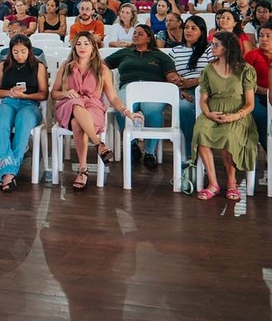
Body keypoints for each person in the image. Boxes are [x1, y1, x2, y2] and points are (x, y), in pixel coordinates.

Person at [52, 32, 141, 190]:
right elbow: (54, 93)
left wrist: (126, 111)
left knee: (77, 123)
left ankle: (83, 170)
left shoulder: (102, 69)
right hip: (68, 105)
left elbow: (112, 97)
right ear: (74, 47)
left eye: (86, 43)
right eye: (79, 44)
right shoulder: (66, 66)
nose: (82, 47)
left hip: (93, 107)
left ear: (93, 47)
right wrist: (66, 93)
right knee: (76, 105)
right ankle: (99, 144)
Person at [193, 31, 259, 201]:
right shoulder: (208, 69)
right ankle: (213, 183)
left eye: (216, 45)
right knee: (201, 132)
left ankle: (231, 182)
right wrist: (208, 113)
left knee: (228, 135)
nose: (212, 48)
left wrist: (236, 116)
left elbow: (250, 103)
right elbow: (204, 99)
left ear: (227, 47)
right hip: (213, 111)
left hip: (238, 113)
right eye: (211, 44)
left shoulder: (245, 69)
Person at [104, 25, 177, 168]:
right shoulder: (125, 52)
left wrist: (178, 81)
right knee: (122, 108)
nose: (135, 35)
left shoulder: (160, 56)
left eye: (140, 34)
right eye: (135, 33)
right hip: (128, 88)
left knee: (153, 112)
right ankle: (132, 145)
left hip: (153, 89)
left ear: (149, 38)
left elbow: (171, 76)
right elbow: (102, 65)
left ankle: (150, 152)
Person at [0, 33, 49, 191]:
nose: (19, 55)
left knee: (22, 126)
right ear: (11, 51)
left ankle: (8, 172)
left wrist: (25, 95)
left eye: (23, 51)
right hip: (9, 101)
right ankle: (9, 170)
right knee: (1, 125)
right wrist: (9, 93)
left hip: (30, 103)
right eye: (15, 52)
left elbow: (44, 94)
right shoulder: (4, 65)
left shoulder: (38, 66)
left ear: (29, 50)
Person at [169, 16, 213, 156]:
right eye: (186, 27)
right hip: (183, 90)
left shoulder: (209, 49)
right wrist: (180, 88)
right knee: (183, 107)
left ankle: (200, 149)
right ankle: (190, 152)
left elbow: (214, 72)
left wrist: (193, 82)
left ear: (202, 31)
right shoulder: (175, 51)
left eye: (193, 28)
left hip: (206, 89)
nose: (188, 31)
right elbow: (169, 73)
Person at [244, 22, 272, 149]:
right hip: (257, 95)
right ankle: (269, 154)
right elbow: (243, 79)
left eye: (268, 36)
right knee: (260, 115)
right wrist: (260, 90)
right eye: (261, 36)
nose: (264, 39)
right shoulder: (252, 55)